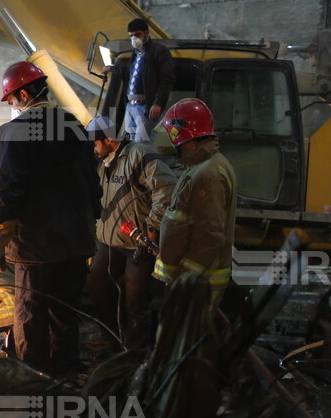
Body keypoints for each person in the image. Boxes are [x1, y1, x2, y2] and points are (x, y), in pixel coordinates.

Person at [0, 61, 101, 378]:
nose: (11, 106)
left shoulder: (15, 131)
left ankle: (31, 389)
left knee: (31, 322)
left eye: (11, 99)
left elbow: (8, 193)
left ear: (23, 93)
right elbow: (93, 186)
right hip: (75, 248)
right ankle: (63, 390)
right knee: (65, 321)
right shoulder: (75, 126)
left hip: (36, 251)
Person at [85, 116, 176, 350]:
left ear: (110, 139)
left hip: (138, 245)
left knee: (135, 298)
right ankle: (114, 340)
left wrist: (152, 227)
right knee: (96, 284)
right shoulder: (102, 163)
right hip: (109, 242)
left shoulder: (140, 156)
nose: (94, 150)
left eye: (96, 144)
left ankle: (135, 353)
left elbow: (166, 188)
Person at [154, 98, 237, 308]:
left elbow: (210, 237)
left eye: (170, 135)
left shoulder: (207, 173)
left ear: (181, 135)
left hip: (198, 284)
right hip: (195, 281)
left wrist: (184, 277)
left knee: (184, 340)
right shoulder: (198, 165)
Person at [105, 18, 175, 143]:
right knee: (132, 143)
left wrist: (157, 102)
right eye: (131, 36)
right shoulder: (136, 54)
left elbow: (167, 79)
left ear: (146, 33)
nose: (134, 39)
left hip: (145, 106)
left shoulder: (158, 51)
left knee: (141, 145)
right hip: (131, 105)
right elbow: (130, 73)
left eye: (137, 35)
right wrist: (112, 68)